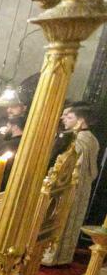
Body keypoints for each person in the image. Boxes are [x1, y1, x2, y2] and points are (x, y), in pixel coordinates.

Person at [45, 104, 100, 266]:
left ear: (80, 121)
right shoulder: (92, 139)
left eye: (70, 118)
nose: (65, 120)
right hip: (81, 188)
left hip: (67, 187)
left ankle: (50, 256)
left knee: (60, 217)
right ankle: (62, 256)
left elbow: (64, 166)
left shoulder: (76, 140)